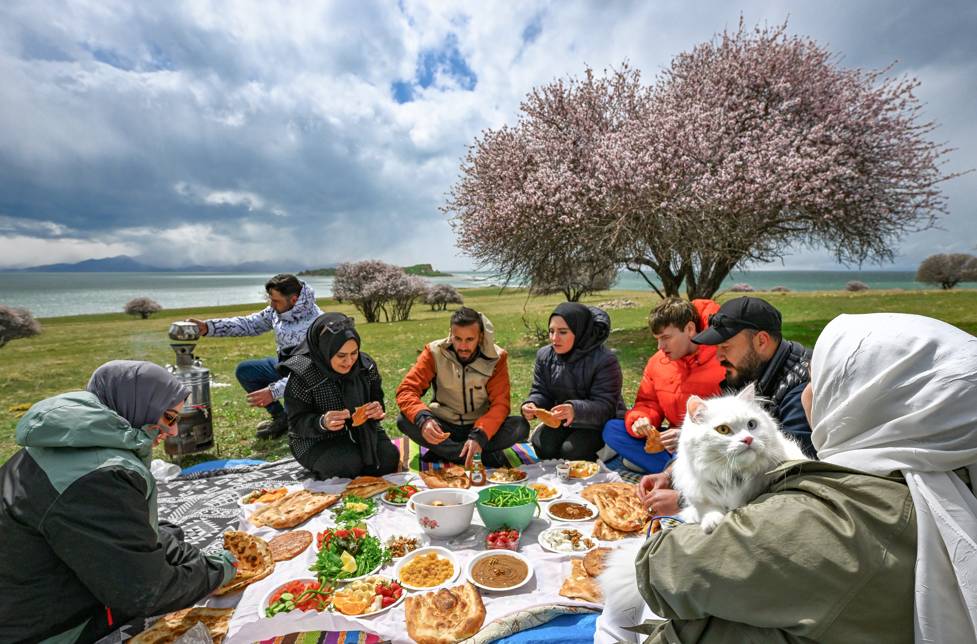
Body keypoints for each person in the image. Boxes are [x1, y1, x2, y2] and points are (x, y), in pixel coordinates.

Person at [627, 313, 977, 643]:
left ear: (866, 398)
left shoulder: (834, 517)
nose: (806, 392)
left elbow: (666, 566)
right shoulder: (945, 484)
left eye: (817, 380)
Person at [0, 360, 235, 643]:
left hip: (31, 597)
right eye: (169, 418)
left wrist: (181, 554)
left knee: (169, 534)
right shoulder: (100, 477)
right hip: (49, 629)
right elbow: (146, 592)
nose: (172, 432)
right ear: (136, 407)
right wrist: (222, 569)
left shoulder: (66, 440)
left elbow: (119, 530)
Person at [636, 296, 813, 517]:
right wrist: (671, 476)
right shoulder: (750, 373)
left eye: (725, 347)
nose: (718, 356)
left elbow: (783, 478)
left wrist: (685, 500)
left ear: (761, 341)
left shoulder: (800, 388)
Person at [187, 273, 322, 439]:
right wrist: (208, 327)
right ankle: (282, 418)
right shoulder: (277, 310)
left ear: (294, 300)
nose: (271, 305)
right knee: (246, 371)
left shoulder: (317, 324)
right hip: (285, 366)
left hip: (310, 379)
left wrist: (273, 392)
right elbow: (249, 324)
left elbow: (310, 373)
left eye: (275, 301)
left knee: (302, 403)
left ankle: (298, 418)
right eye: (270, 300)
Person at [602, 297, 725, 474]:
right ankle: (678, 472)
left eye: (666, 337)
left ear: (690, 329)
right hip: (671, 442)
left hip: (710, 445)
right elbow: (647, 403)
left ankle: (671, 471)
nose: (660, 346)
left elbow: (733, 424)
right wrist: (641, 420)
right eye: (657, 339)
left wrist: (686, 436)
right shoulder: (656, 362)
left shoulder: (723, 360)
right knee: (613, 430)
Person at [396, 307, 529, 468]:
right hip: (444, 426)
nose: (463, 346)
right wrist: (425, 420)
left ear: (480, 337)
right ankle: (473, 456)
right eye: (458, 338)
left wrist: (480, 435)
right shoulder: (433, 352)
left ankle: (448, 453)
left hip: (479, 426)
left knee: (520, 426)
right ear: (450, 334)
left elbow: (501, 404)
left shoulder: (497, 358)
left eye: (469, 340)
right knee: (404, 420)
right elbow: (406, 390)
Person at [278, 313, 400, 479]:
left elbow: (376, 399)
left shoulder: (366, 366)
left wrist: (376, 410)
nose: (349, 362)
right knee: (346, 466)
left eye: (354, 353)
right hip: (315, 439)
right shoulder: (303, 373)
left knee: (388, 460)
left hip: (362, 432)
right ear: (324, 349)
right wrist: (322, 422)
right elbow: (296, 423)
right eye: (341, 355)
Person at [523, 302, 625, 462]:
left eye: (562, 332)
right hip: (565, 420)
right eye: (551, 331)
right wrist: (533, 404)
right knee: (543, 447)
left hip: (599, 422)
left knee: (571, 452)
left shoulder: (605, 360)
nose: (554, 338)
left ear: (580, 331)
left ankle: (612, 447)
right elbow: (541, 390)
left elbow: (606, 406)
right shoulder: (544, 355)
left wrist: (575, 410)